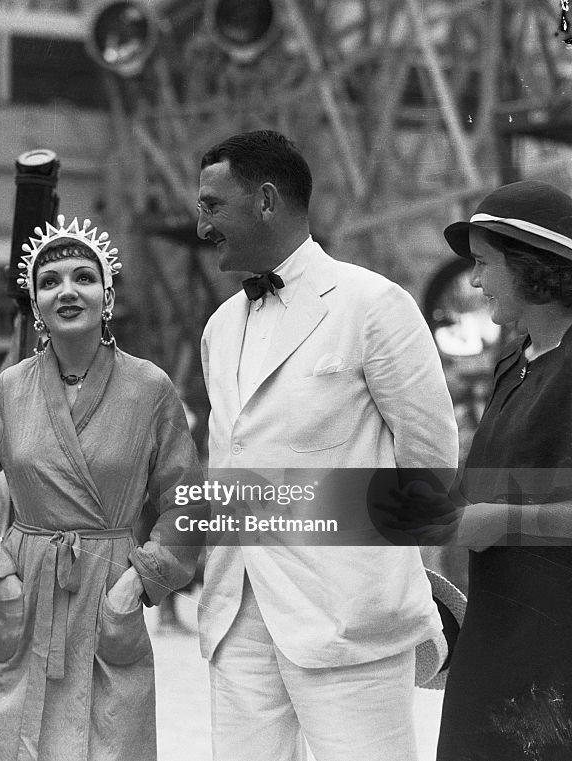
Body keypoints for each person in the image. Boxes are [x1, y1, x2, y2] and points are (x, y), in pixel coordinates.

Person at [194, 130, 459, 761]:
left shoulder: (374, 305)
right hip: (237, 616)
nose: (201, 223)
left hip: (351, 623)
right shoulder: (219, 328)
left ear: (265, 201)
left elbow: (431, 466)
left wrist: (363, 569)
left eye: (212, 205)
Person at [0, 215, 207, 761]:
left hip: (109, 588)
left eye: (83, 277)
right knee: (17, 744)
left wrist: (137, 583)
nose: (67, 290)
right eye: (50, 280)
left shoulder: (149, 389)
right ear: (35, 303)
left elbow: (186, 502)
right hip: (24, 590)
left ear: (107, 296)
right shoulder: (9, 389)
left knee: (110, 741)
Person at [428, 180, 572, 759]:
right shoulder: (513, 360)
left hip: (556, 653)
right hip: (494, 635)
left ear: (535, 269)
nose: (477, 280)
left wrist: (497, 521)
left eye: (486, 264)